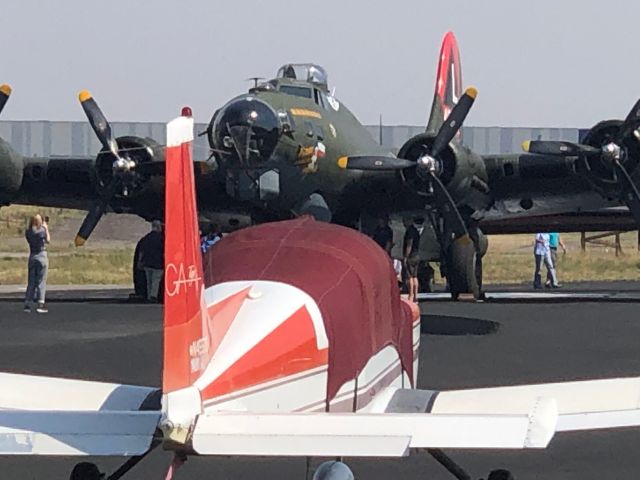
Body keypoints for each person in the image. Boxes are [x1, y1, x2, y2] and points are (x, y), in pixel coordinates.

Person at [24, 214, 50, 313]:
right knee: (41, 281)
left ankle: (27, 304)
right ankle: (40, 304)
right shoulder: (42, 231)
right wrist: (46, 228)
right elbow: (48, 240)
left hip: (32, 256)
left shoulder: (28, 232)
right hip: (41, 255)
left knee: (31, 282)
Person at [138, 220, 164, 302]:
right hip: (158, 263)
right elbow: (164, 251)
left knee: (149, 281)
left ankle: (149, 296)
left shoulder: (146, 238)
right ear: (158, 227)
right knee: (156, 280)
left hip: (147, 263)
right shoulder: (161, 238)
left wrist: (140, 261)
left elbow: (141, 251)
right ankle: (153, 296)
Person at [403, 216, 421, 302]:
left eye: (405, 220)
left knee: (409, 277)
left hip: (411, 256)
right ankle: (416, 295)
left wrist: (406, 257)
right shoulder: (416, 231)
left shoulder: (409, 232)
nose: (403, 223)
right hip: (417, 255)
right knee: (415, 276)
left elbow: (409, 245)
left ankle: (411, 295)